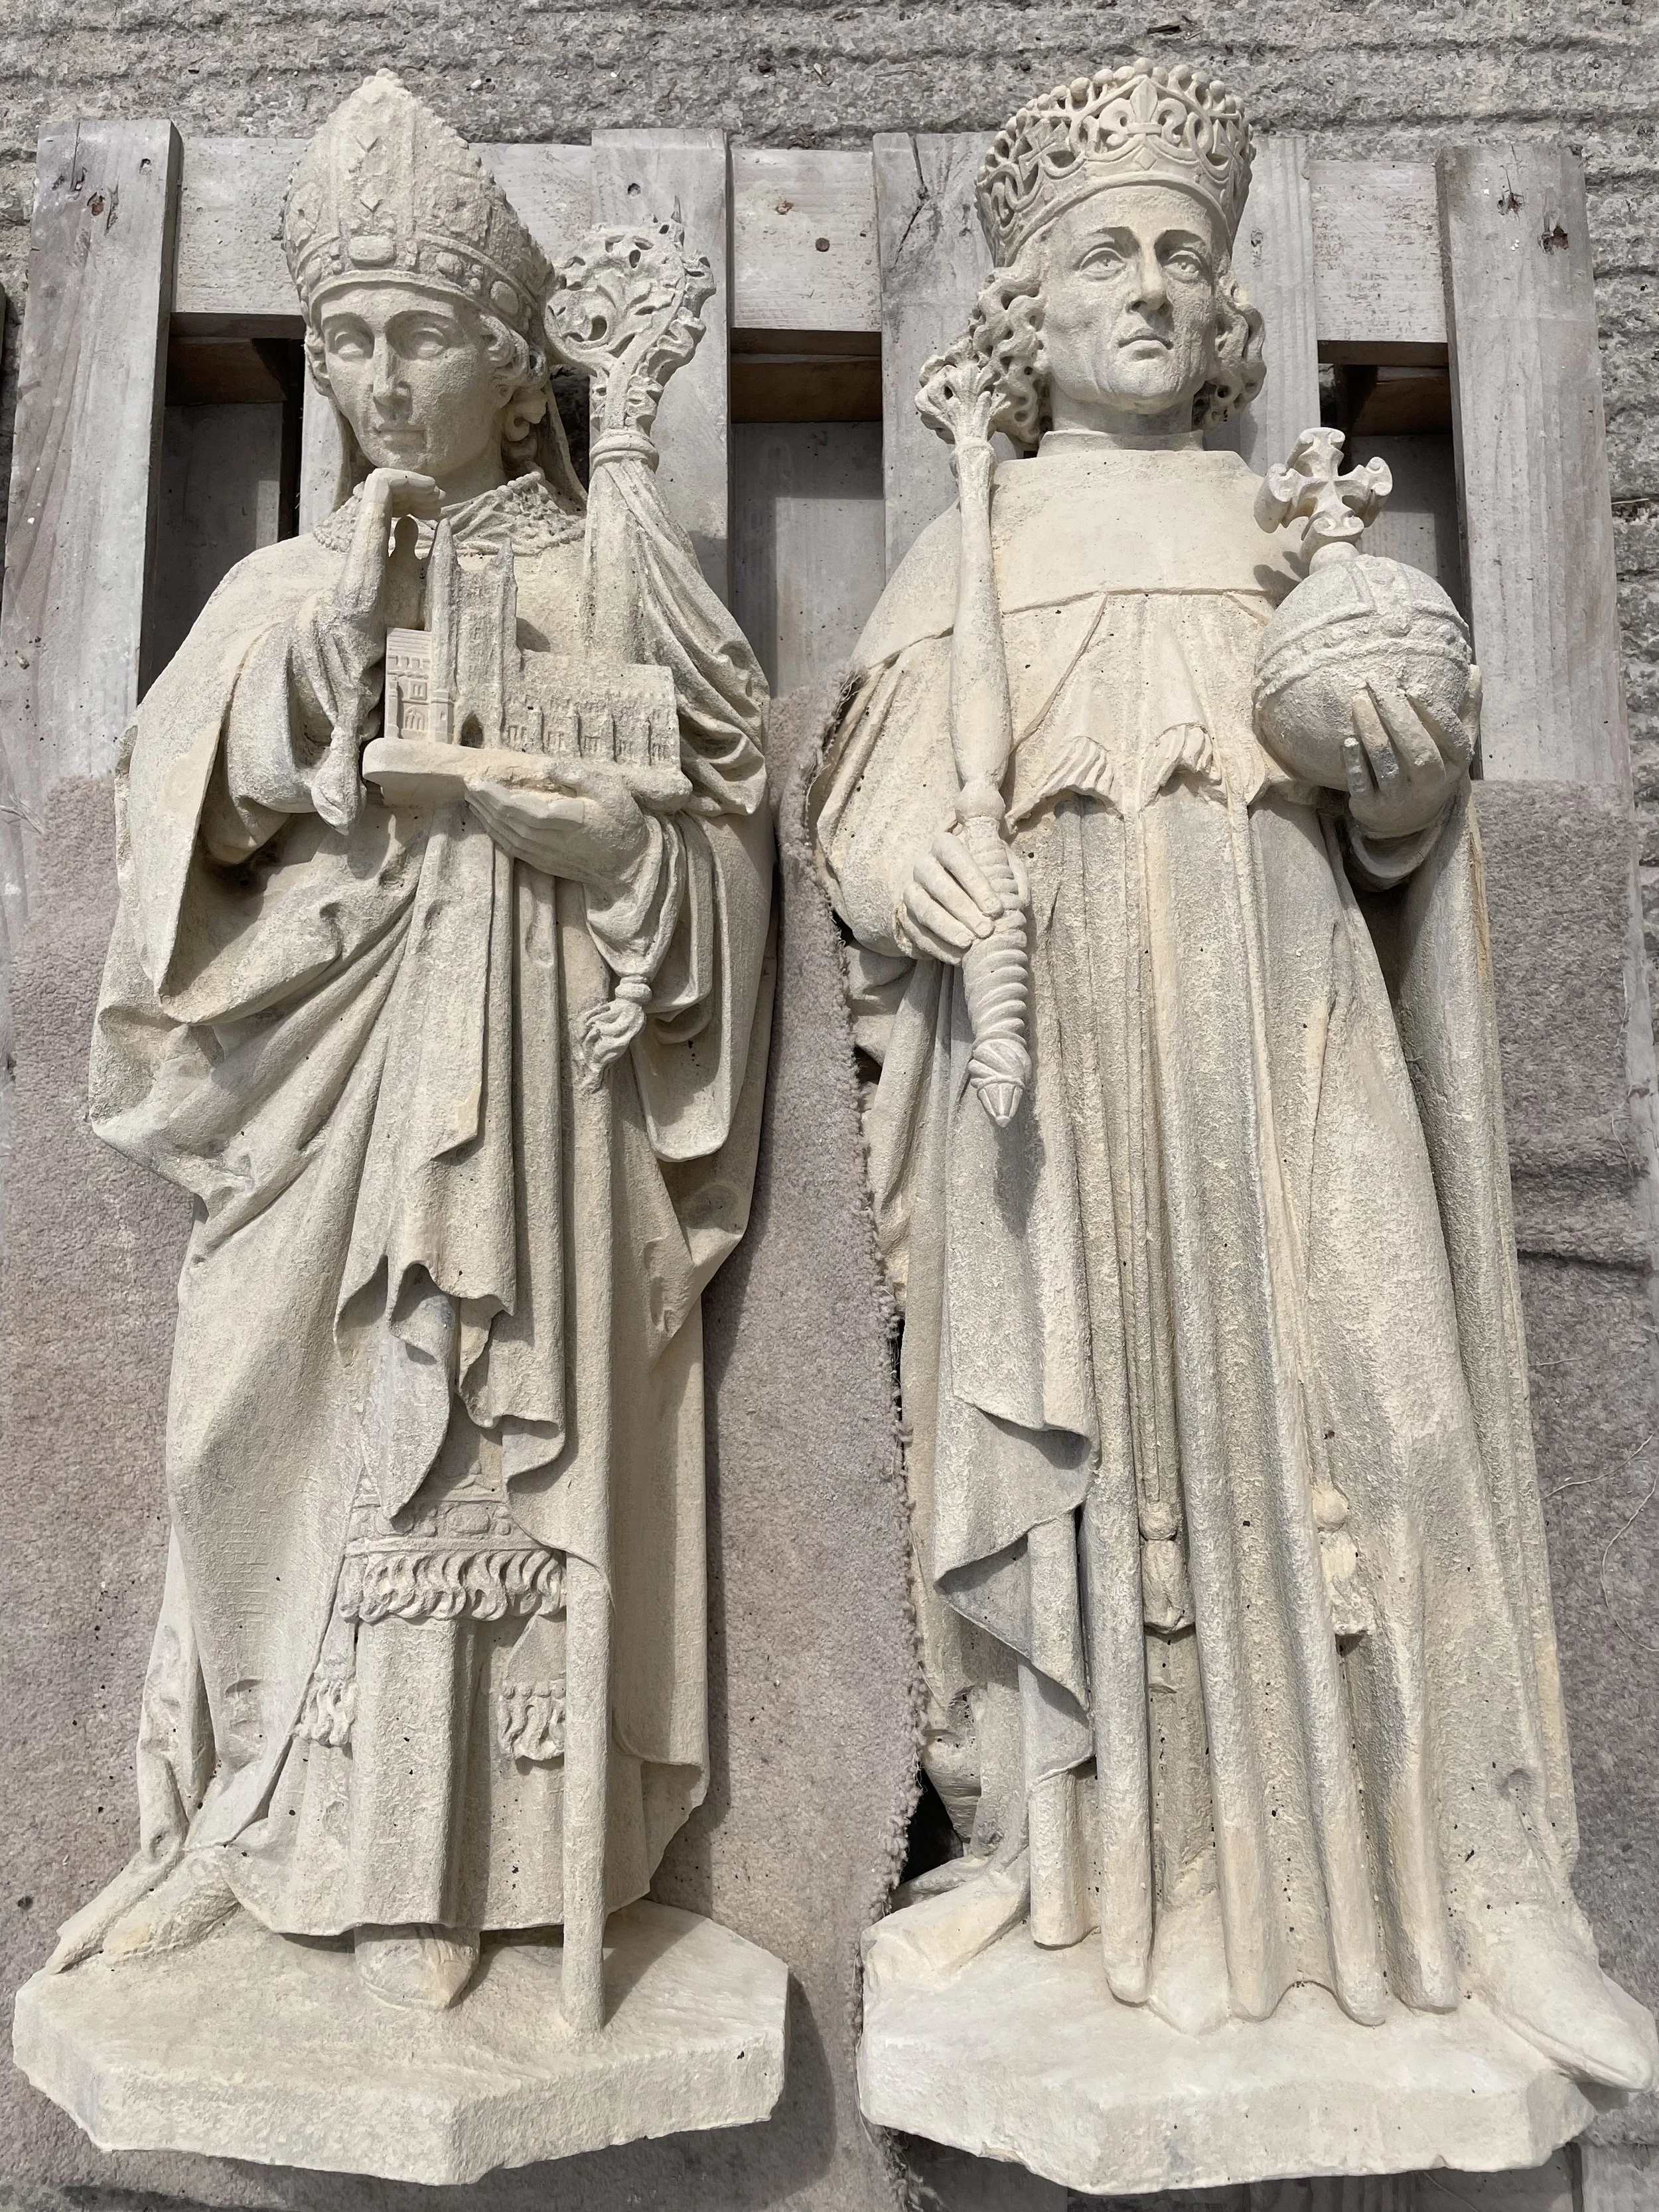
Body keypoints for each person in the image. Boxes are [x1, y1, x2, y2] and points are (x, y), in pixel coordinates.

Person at [814, 57, 1652, 2086]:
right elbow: (868, 815)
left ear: (1224, 318)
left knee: (1398, 1412)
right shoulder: (967, 548)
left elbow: (1401, 823)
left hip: (1283, 1028)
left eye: (1184, 256)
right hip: (1074, 1067)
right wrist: (910, 871)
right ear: (1022, 307)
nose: (1151, 284)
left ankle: (1473, 1882)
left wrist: (1400, 776)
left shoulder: (1280, 522)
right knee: (1091, 1447)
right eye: (1104, 250)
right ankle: (1085, 1869)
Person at [53, 72, 772, 2012]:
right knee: (254, 1431)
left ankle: (479, 1888)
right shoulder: (287, 578)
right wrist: (309, 665)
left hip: (544, 1093)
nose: (376, 373)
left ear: (509, 358)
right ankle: (249, 1834)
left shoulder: (609, 575)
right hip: (326, 1092)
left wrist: (613, 849)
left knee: (499, 1468)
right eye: (347, 336)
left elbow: (726, 860)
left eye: (421, 333)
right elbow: (170, 835)